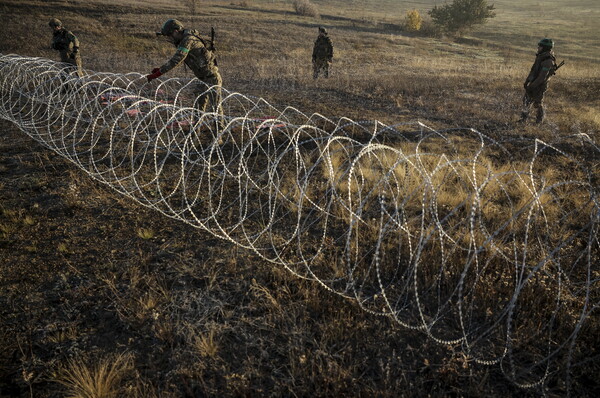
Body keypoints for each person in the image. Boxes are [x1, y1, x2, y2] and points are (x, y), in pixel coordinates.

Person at [147, 19, 223, 123]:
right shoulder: (183, 40)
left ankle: (218, 136)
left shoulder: (188, 40)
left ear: (176, 31)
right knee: (198, 108)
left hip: (212, 78)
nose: (170, 38)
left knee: (216, 109)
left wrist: (158, 73)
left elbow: (176, 59)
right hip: (201, 79)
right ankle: (195, 132)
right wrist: (159, 70)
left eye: (170, 35)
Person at [521, 38, 558, 124]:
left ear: (545, 48)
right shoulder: (541, 57)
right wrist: (527, 81)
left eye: (540, 47)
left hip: (540, 85)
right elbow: (533, 71)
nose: (538, 48)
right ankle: (523, 119)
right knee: (526, 101)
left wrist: (532, 86)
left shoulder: (548, 61)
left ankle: (539, 121)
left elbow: (542, 77)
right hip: (533, 83)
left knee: (537, 103)